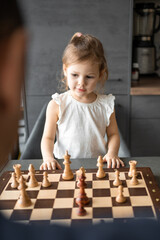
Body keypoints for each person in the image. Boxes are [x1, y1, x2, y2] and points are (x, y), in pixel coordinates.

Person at [40, 33, 125, 170]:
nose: (81, 83)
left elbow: (113, 134)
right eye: (75, 75)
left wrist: (112, 153)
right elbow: (48, 138)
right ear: (65, 70)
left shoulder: (106, 105)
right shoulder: (57, 104)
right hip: (64, 167)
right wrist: (48, 158)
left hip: (97, 167)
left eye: (89, 77)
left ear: (100, 75)